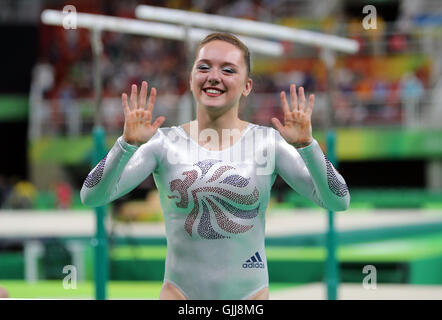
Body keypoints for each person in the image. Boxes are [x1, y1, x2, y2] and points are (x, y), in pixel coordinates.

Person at [81, 32, 350, 300]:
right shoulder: (163, 143)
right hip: (181, 296)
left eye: (228, 70)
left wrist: (308, 146)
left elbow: (338, 200)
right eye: (204, 67)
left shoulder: (269, 143)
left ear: (247, 86)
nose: (213, 76)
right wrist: (125, 144)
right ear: (190, 78)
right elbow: (92, 195)